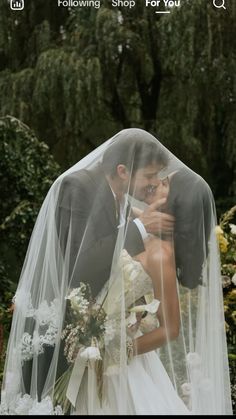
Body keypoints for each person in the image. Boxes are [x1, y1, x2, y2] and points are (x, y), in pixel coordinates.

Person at [0, 129, 232, 415]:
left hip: (99, 351)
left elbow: (119, 280)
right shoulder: (77, 187)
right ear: (123, 171)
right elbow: (79, 270)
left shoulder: (124, 205)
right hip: (56, 338)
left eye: (160, 180)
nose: (154, 184)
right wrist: (140, 227)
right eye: (150, 176)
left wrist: (122, 335)